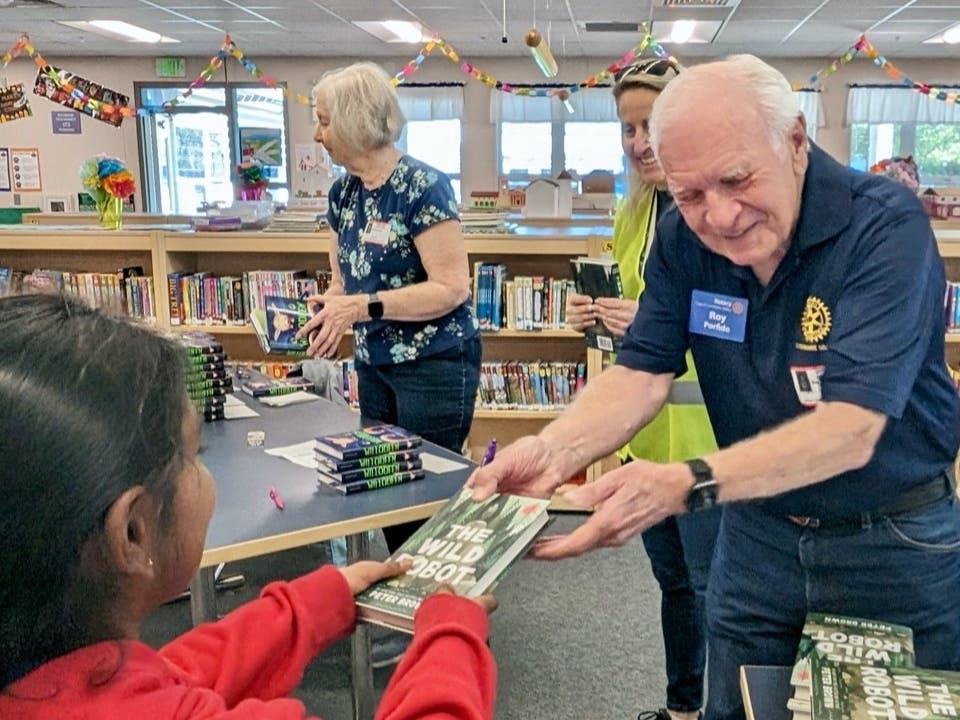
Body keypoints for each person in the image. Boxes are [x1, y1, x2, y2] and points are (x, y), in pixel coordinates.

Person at [469, 54, 960, 720]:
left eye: (735, 180)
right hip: (758, 535)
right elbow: (642, 371)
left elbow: (851, 427)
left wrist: (684, 481)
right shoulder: (682, 235)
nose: (720, 217)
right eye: (691, 193)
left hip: (892, 542)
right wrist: (555, 452)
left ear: (794, 142)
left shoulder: (884, 228)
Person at [0, 293, 497, 719]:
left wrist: (311, 606)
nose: (204, 469)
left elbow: (172, 676)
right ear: (133, 532)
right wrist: (450, 637)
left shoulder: (55, 677)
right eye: (195, 455)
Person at [564, 57, 719, 720]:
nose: (637, 142)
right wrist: (593, 320)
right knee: (676, 584)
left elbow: (740, 320)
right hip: (647, 438)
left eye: (650, 123)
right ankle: (683, 708)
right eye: (628, 128)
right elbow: (629, 315)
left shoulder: (721, 209)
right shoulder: (637, 212)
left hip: (710, 439)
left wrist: (662, 324)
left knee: (718, 591)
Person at [300, 63, 481, 550]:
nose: (316, 135)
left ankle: (446, 611)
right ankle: (409, 601)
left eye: (323, 121)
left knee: (428, 497)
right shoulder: (342, 194)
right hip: (375, 364)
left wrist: (360, 308)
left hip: (434, 364)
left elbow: (451, 288)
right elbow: (343, 281)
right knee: (388, 493)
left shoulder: (423, 187)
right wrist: (327, 308)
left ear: (356, 121)